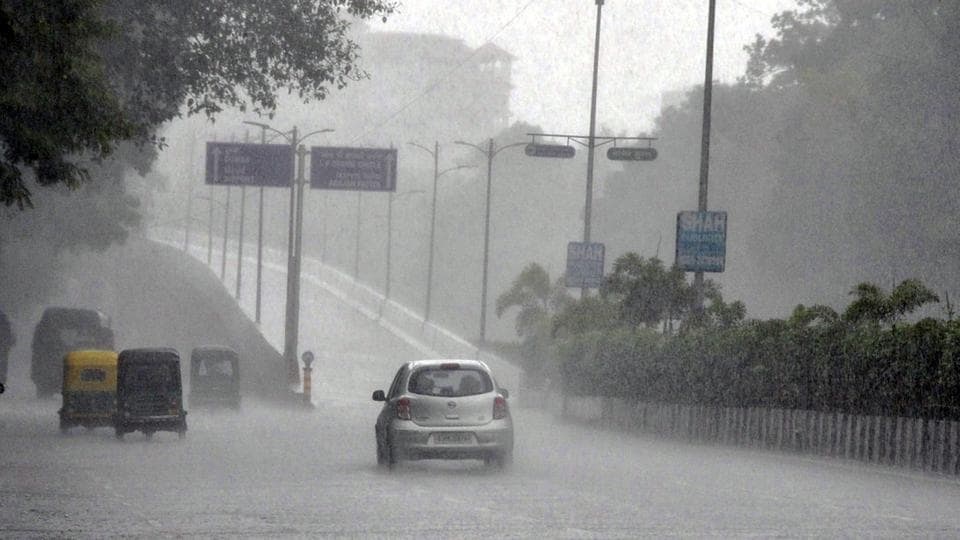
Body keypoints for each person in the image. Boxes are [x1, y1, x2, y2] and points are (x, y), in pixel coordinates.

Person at [0, 310, 13, 385]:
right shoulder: (4, 318)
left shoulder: (4, 318)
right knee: (2, 368)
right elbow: (10, 338)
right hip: (3, 348)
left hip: (3, 348)